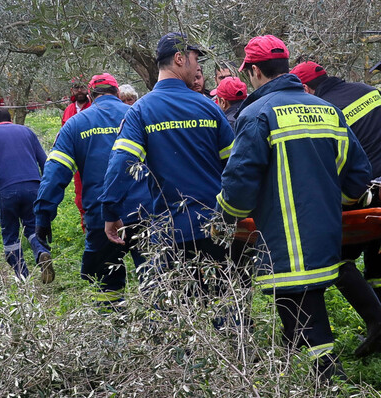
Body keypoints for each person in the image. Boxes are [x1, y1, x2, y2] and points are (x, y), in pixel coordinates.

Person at [215, 35, 372, 379]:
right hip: (327, 231)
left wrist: (225, 218)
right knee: (303, 306)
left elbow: (240, 181)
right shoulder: (327, 109)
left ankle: (329, 378)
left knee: (300, 305)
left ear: (254, 71)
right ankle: (304, 369)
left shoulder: (256, 113)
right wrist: (338, 205)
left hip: (284, 236)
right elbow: (358, 172)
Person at [101, 32, 235, 294]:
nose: (199, 68)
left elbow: (122, 163)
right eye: (196, 60)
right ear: (179, 58)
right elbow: (235, 167)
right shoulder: (210, 108)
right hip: (216, 227)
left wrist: (110, 211)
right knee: (227, 310)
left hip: (170, 232)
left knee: (179, 316)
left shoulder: (141, 110)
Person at [35, 73, 150, 305]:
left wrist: (43, 216)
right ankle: (162, 330)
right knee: (155, 279)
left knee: (106, 284)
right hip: (144, 212)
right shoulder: (141, 116)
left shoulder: (75, 124)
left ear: (90, 95)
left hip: (100, 215)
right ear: (118, 93)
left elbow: (55, 172)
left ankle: (112, 329)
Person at [290, 61, 381, 356]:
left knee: (337, 257)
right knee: (376, 259)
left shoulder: (322, 110)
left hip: (367, 194)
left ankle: (377, 321)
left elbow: (336, 164)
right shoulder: (370, 91)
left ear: (305, 88)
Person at [0, 108, 53, 282]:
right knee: (33, 227)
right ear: (10, 119)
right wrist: (47, 186)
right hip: (34, 186)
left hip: (7, 189)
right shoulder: (27, 131)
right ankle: (42, 252)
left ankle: (22, 277)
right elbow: (44, 160)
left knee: (11, 233)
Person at [62, 77, 92, 233]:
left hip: (94, 157)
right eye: (76, 87)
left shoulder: (93, 106)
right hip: (77, 161)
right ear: (72, 90)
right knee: (80, 195)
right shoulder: (68, 110)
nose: (79, 90)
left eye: (82, 87)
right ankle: (86, 229)